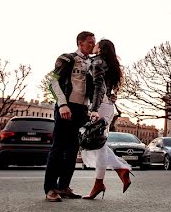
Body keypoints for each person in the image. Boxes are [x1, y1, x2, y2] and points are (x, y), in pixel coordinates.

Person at [42, 31, 97, 202]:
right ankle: (50, 188)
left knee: (73, 149)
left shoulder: (93, 63)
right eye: (89, 42)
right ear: (80, 43)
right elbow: (53, 81)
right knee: (58, 148)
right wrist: (62, 104)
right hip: (67, 106)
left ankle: (64, 186)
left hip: (82, 109)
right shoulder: (66, 58)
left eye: (93, 42)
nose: (92, 45)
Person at [81, 39, 132, 199]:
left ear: (100, 48)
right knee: (98, 144)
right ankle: (119, 171)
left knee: (96, 144)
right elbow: (108, 87)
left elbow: (98, 86)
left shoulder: (98, 61)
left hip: (99, 106)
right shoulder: (112, 64)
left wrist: (94, 108)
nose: (93, 46)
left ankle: (100, 182)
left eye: (96, 44)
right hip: (108, 106)